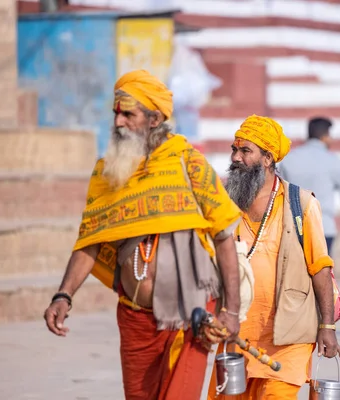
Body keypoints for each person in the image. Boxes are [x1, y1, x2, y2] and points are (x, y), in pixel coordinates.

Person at [42, 69, 243, 400]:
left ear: (154, 119)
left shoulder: (188, 163)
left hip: (190, 316)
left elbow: (224, 237)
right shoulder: (107, 171)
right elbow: (89, 240)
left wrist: (231, 311)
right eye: (116, 113)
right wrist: (63, 295)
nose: (119, 122)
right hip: (134, 317)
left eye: (128, 114)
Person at [207, 115, 340, 399]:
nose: (236, 157)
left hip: (288, 338)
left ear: (267, 159)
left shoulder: (301, 203)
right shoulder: (224, 204)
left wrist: (327, 326)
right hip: (237, 336)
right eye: (234, 149)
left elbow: (320, 268)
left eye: (245, 151)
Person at [278, 117, 340, 255]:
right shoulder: (332, 159)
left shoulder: (289, 159)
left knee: (295, 274)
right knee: (322, 274)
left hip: (293, 228)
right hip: (323, 227)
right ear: (325, 136)